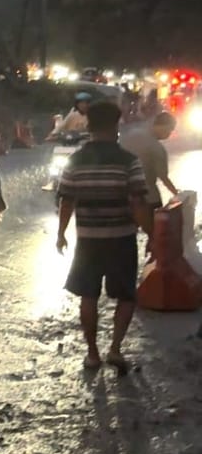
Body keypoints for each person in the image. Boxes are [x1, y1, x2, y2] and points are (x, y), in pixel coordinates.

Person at [56, 101, 155, 372]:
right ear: (116, 125)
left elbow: (66, 201)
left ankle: (92, 354)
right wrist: (153, 234)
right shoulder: (128, 161)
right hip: (121, 239)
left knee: (87, 295)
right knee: (125, 296)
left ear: (88, 126)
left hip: (88, 240)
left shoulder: (75, 160)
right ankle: (115, 349)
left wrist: (61, 234)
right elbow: (138, 203)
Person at [119, 112, 178, 211]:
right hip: (148, 197)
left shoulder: (131, 133)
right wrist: (177, 194)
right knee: (154, 224)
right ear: (163, 126)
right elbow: (163, 177)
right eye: (170, 129)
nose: (169, 134)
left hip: (124, 195)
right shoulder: (156, 147)